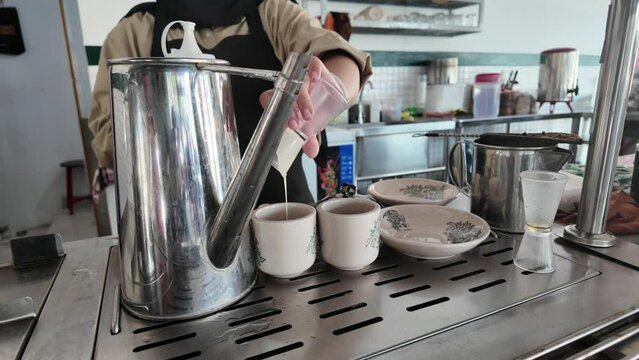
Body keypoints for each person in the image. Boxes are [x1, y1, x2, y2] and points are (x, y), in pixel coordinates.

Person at [88, 0, 372, 208]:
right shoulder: (133, 32)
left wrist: (321, 91)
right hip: (185, 227)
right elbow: (109, 143)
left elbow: (343, 58)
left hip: (282, 209)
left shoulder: (273, 12)